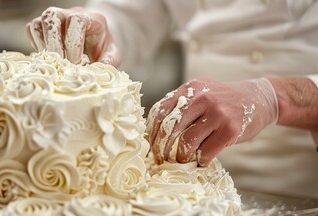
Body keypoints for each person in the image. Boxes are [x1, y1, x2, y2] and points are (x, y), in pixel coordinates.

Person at [25, 0, 318, 198]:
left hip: (301, 176)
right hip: (193, 178)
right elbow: (131, 13)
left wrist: (272, 97)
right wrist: (100, 27)